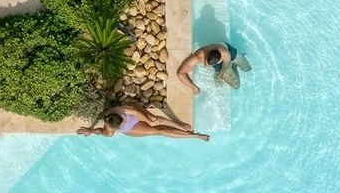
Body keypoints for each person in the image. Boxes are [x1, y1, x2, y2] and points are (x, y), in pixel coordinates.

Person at [76, 102, 209, 140]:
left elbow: (134, 111)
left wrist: (149, 120)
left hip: (133, 112)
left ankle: (179, 125)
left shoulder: (117, 110)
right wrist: (91, 131)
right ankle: (193, 135)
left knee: (153, 119)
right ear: (115, 128)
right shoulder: (109, 130)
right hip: (131, 128)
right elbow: (102, 132)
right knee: (160, 130)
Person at [177, 42, 252, 93]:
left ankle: (234, 65)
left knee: (248, 68)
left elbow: (226, 64)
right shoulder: (198, 56)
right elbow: (180, 73)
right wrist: (194, 87)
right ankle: (234, 67)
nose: (206, 65)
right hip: (219, 62)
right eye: (206, 62)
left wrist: (221, 73)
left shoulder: (225, 53)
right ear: (206, 56)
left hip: (230, 53)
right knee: (236, 86)